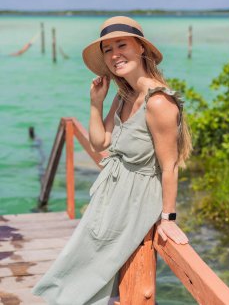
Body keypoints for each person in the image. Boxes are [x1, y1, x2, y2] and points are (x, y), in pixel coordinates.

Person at [32, 16, 192, 304]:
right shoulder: (125, 96)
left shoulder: (158, 102)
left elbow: (169, 166)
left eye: (122, 45)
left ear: (141, 48)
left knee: (94, 270)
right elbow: (100, 142)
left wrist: (168, 219)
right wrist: (96, 103)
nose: (114, 54)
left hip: (137, 198)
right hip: (113, 192)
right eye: (108, 49)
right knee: (79, 260)